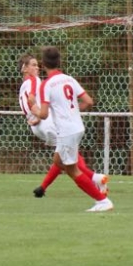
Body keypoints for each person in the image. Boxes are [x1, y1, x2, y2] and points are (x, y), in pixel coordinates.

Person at [28, 46, 113, 212]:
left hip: (66, 131)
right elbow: (89, 101)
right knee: (58, 161)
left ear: (43, 64)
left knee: (72, 170)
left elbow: (43, 115)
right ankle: (95, 179)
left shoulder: (46, 84)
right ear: (59, 62)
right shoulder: (69, 79)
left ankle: (102, 200)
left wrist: (34, 107)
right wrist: (72, 111)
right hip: (77, 127)